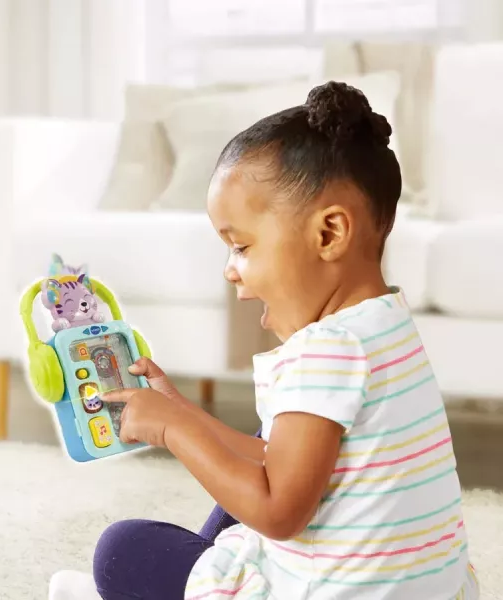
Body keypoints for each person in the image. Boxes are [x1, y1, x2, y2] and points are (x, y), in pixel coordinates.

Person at [48, 81, 479, 600]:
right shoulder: (388, 328)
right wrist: (185, 414)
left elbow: (278, 512)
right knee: (267, 440)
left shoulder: (323, 351)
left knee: (123, 550)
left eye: (241, 247)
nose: (230, 270)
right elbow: (284, 463)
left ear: (329, 234)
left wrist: (172, 430)